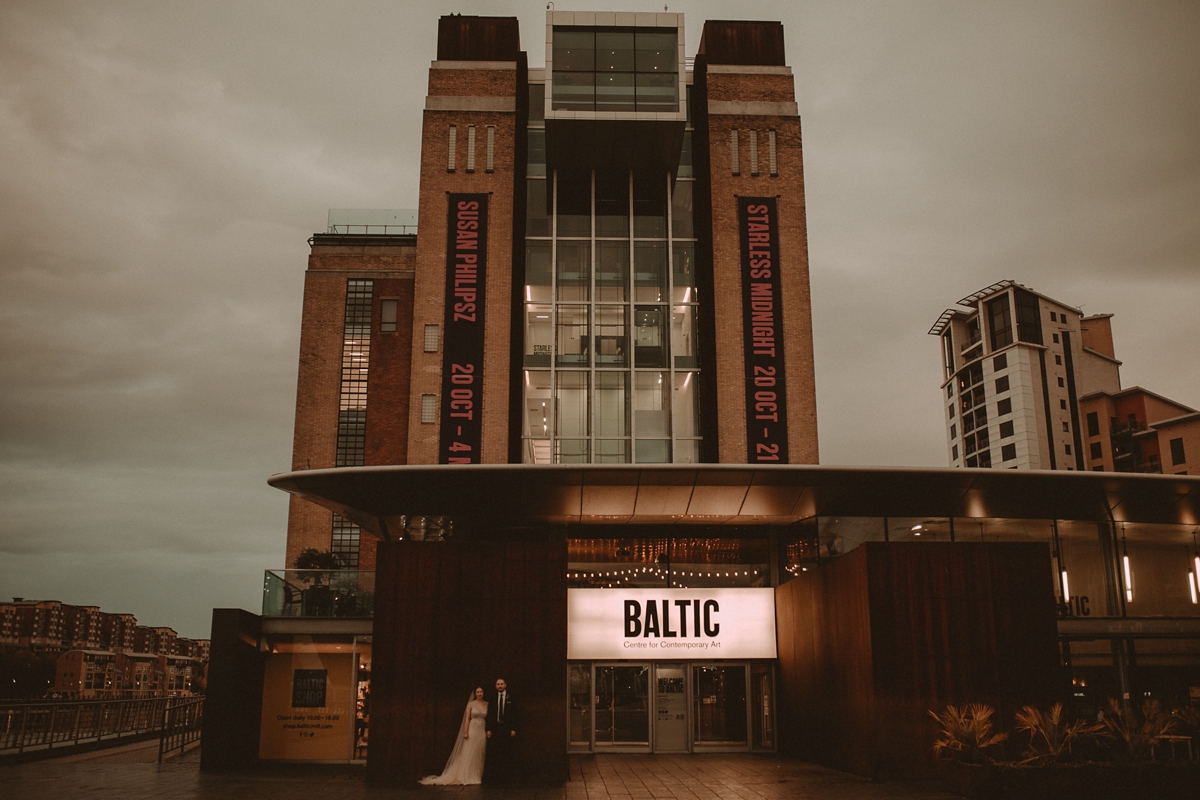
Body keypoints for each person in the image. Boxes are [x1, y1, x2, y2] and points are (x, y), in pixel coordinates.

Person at [419, 687, 488, 785]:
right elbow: (467, 718)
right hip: (472, 729)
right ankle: (466, 775)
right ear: (475, 693)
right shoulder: (471, 704)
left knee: (479, 752)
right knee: (469, 751)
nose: (480, 693)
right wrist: (466, 732)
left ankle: (476, 775)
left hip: (482, 730)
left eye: (481, 691)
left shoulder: (487, 704)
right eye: (478, 692)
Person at [484, 677, 516, 783]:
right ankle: (496, 777)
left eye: (502, 684)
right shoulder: (492, 698)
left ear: (505, 685)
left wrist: (513, 728)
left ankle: (507, 777)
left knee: (507, 752)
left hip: (507, 729)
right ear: (495, 686)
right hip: (495, 729)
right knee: (495, 752)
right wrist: (488, 729)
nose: (500, 686)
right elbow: (489, 714)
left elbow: (515, 714)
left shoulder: (511, 697)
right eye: (498, 684)